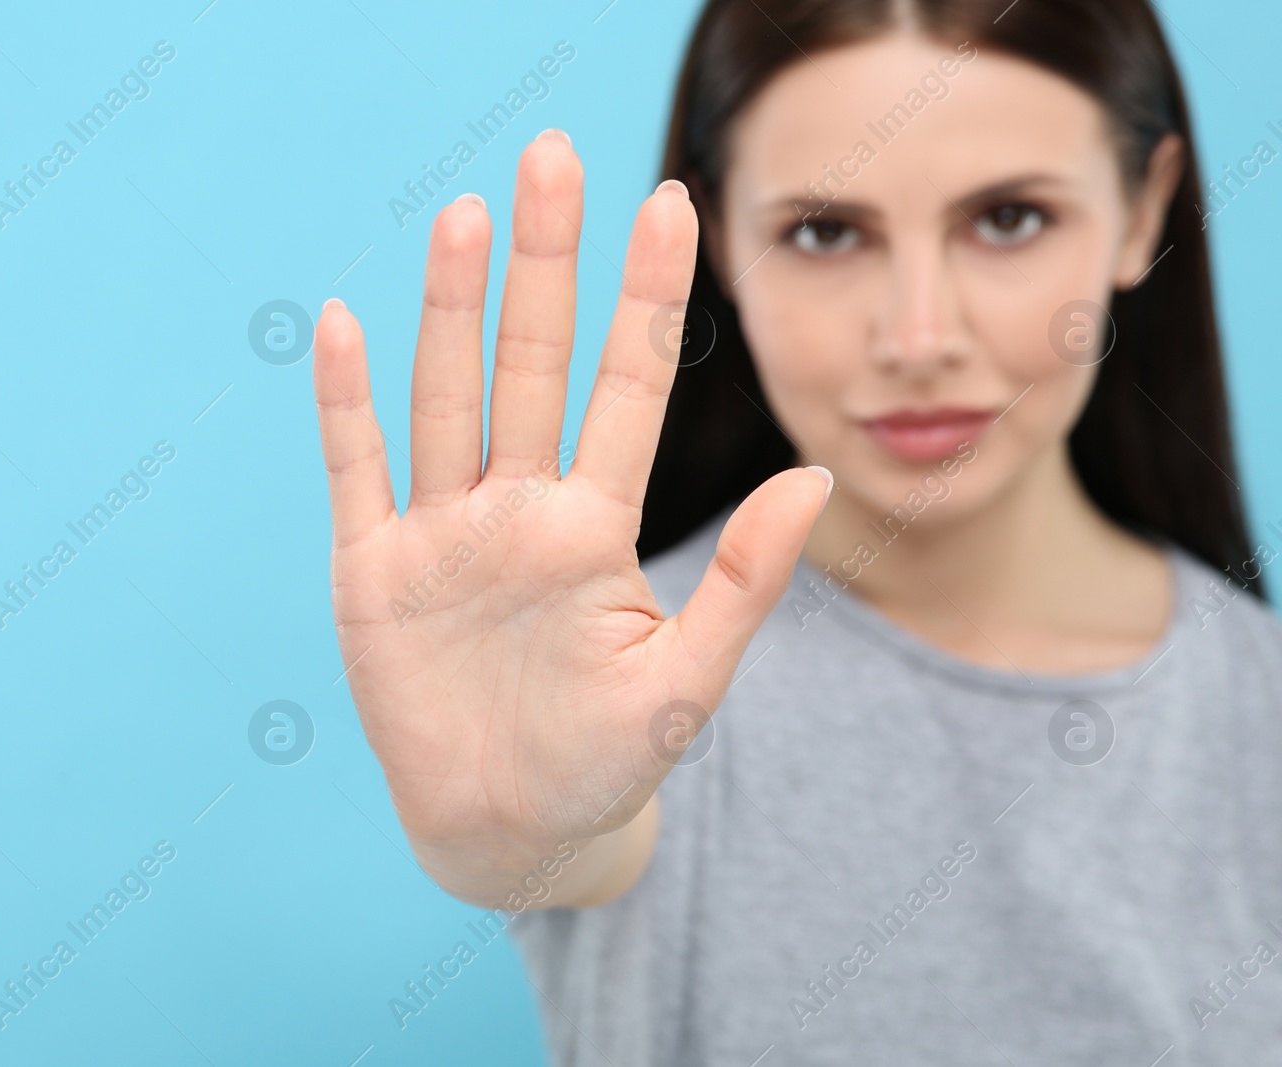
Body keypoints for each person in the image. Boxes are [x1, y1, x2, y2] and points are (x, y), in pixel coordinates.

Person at [310, 0, 1282, 1062]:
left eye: (1008, 218)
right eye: (823, 232)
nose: (919, 334)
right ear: (719, 235)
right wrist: (526, 835)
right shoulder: (626, 684)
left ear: (1145, 208)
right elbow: (586, 819)